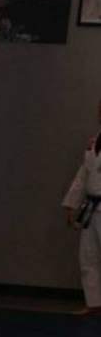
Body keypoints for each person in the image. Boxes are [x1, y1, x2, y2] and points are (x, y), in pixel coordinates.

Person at [62, 97, 101, 315]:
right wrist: (72, 203)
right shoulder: (94, 142)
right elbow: (83, 175)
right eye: (100, 109)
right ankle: (94, 303)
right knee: (88, 256)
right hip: (91, 207)